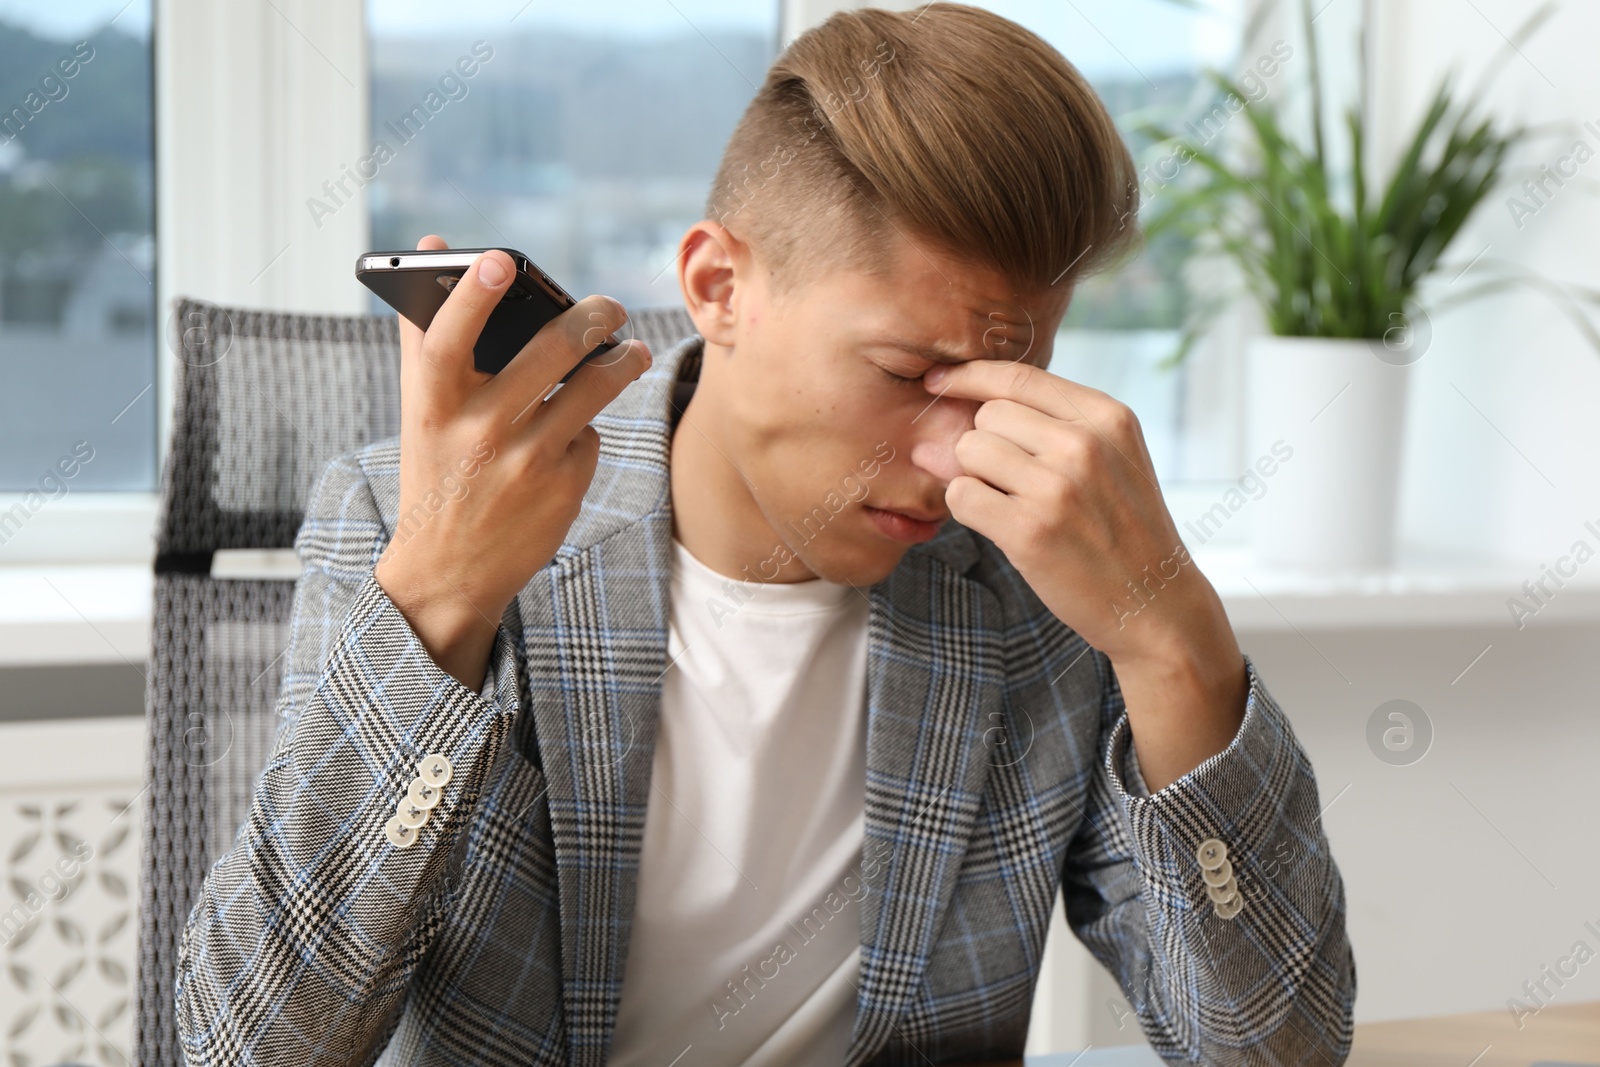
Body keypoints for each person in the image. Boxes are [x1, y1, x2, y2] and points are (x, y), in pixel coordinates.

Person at [174, 4, 1355, 1065]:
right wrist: (436, 604)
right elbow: (249, 1047)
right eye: (908, 371)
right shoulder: (417, 522)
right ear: (718, 285)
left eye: (1005, 378)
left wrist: (1173, 637)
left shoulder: (1045, 579)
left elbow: (1278, 1053)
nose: (957, 457)